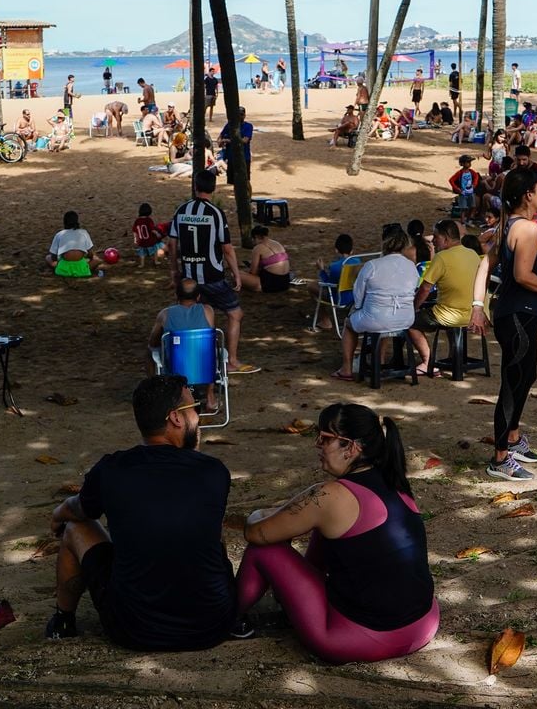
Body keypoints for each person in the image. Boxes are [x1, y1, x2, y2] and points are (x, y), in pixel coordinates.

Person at [236, 403, 438, 663]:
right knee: (330, 533)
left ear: (351, 447)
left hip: (363, 638)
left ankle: (228, 619)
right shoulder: (394, 481)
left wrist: (257, 515)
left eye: (326, 439)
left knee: (264, 550)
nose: (318, 445)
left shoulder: (331, 496)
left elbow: (257, 533)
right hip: (423, 625)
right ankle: (293, 605)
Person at [45, 374, 236, 649]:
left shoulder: (111, 470)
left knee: (74, 527)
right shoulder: (215, 472)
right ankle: (238, 620)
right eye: (194, 408)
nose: (198, 415)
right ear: (176, 418)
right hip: (212, 627)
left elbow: (79, 510)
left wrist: (57, 514)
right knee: (209, 528)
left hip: (134, 630)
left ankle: (63, 621)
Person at [469, 169, 537, 481]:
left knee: (527, 377)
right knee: (512, 385)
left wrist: (478, 306)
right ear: (529, 194)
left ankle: (513, 440)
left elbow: (483, 265)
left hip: (517, 315)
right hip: (517, 315)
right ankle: (500, 458)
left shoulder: (509, 225)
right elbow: (522, 275)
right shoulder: (526, 228)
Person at [168, 170, 259, 374]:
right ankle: (231, 360)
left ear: (195, 186)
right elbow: (226, 248)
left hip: (189, 277)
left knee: (195, 314)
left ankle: (188, 357)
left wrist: (174, 271)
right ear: (214, 188)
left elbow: (172, 244)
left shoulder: (181, 211)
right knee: (235, 313)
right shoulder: (216, 214)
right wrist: (236, 272)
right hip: (213, 276)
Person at [331, 226, 418, 381]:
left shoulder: (372, 265)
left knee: (350, 324)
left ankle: (346, 368)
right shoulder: (411, 266)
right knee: (381, 319)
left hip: (378, 318)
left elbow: (358, 297)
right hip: (406, 318)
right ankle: (380, 360)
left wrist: (361, 307)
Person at [409, 220, 481, 375]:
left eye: (436, 237)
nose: (433, 241)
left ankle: (428, 361)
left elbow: (425, 289)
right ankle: (454, 355)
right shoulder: (473, 254)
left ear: (446, 238)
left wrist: (413, 307)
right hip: (472, 313)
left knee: (410, 322)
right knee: (445, 313)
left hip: (450, 315)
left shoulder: (442, 257)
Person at [145, 280, 218, 411]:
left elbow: (153, 341)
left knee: (151, 351)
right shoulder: (208, 311)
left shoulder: (165, 314)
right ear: (198, 297)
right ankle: (210, 396)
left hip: (175, 370)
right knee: (211, 350)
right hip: (203, 369)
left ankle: (155, 394)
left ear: (176, 295)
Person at [308, 233, 358, 332]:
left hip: (340, 298)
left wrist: (321, 270)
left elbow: (328, 285)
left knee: (311, 286)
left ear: (336, 250)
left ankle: (325, 320)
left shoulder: (335, 266)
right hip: (354, 296)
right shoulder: (357, 261)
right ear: (351, 251)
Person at [47, 210, 104, 277]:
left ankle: (63, 269)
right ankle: (84, 270)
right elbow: (90, 254)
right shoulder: (84, 233)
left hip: (63, 270)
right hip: (82, 270)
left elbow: (53, 257)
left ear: (64, 222)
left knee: (48, 257)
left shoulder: (59, 234)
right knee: (96, 260)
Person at [239, 225, 291, 293]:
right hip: (285, 283)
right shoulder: (277, 244)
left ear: (256, 237)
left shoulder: (258, 248)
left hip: (268, 285)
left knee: (236, 274)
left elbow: (253, 272)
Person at [218, 107, 254, 180]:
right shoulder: (229, 125)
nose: (240, 117)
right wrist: (221, 141)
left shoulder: (248, 126)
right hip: (231, 157)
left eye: (241, 114)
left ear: (244, 115)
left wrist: (228, 140)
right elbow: (220, 137)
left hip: (244, 157)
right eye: (238, 115)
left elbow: (245, 140)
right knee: (232, 180)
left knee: (245, 180)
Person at [448, 154, 479, 221]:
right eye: (468, 162)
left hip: (470, 192)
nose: (469, 164)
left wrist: (474, 185)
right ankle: (463, 221)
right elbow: (451, 180)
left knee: (472, 207)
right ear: (462, 163)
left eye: (470, 162)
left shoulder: (471, 172)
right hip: (463, 193)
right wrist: (458, 189)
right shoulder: (460, 173)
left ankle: (468, 219)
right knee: (463, 208)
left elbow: (476, 176)